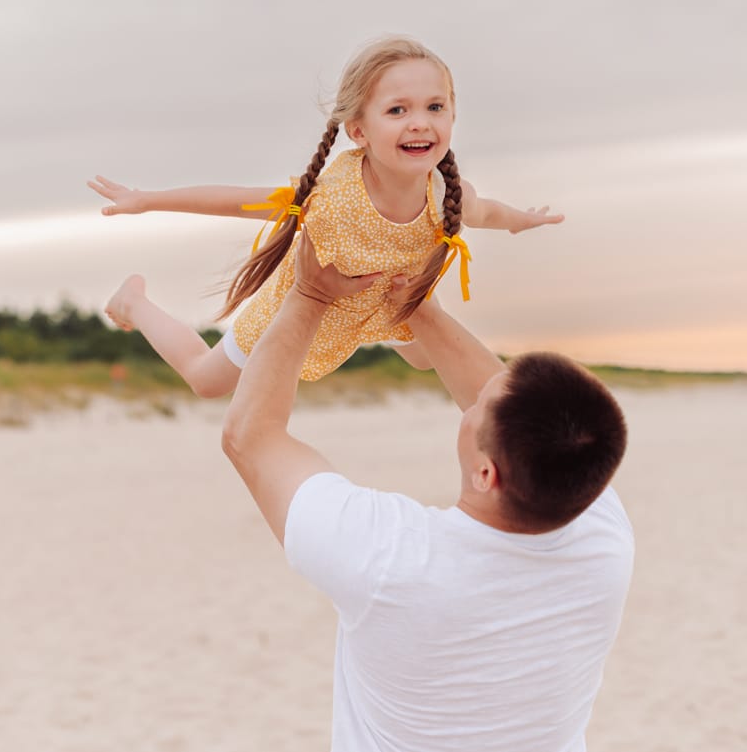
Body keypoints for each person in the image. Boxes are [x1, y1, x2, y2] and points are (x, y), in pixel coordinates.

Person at [221, 230, 634, 752]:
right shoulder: (603, 541)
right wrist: (419, 308)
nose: (474, 397)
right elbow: (517, 414)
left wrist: (309, 297)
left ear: (487, 474)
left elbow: (250, 437)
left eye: (479, 406)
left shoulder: (393, 561)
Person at [89, 36, 564, 397]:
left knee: (425, 355)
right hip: (297, 313)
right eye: (398, 110)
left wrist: (520, 219)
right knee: (206, 382)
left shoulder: (446, 193)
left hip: (378, 305)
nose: (420, 121)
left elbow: (485, 211)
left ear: (452, 117)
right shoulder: (333, 195)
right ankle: (134, 302)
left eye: (435, 107)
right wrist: (148, 199)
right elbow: (239, 201)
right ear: (358, 129)